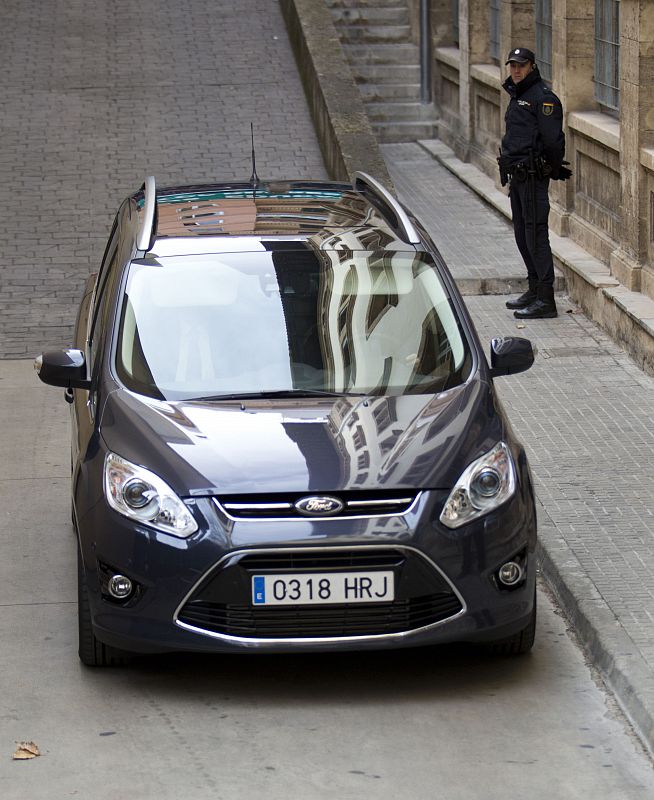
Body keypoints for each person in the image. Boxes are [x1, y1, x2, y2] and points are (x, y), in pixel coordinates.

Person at [498, 47, 570, 319]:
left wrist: (550, 169)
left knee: (536, 235)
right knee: (521, 233)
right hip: (517, 176)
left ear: (532, 67)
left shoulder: (543, 98)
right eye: (512, 65)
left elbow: (553, 141)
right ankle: (533, 288)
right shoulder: (517, 95)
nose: (516, 70)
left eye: (521, 65)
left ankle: (546, 299)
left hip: (532, 177)